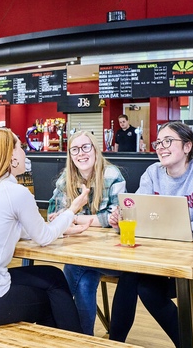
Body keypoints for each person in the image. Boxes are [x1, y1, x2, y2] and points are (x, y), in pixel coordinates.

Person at [0, 128, 91, 333]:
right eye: (21, 147)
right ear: (11, 157)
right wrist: (73, 209)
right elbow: (44, 237)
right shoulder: (15, 192)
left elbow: (8, 228)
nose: (25, 152)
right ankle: (77, 343)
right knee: (53, 297)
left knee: (53, 276)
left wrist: (63, 228)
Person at [107, 121, 193, 346]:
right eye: (159, 142)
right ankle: (115, 343)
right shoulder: (153, 173)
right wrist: (121, 219)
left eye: (168, 141)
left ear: (187, 146)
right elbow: (138, 214)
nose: (161, 147)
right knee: (131, 275)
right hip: (159, 260)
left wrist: (167, 228)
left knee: (145, 286)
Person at [47, 130, 127, 335]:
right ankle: (84, 339)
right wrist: (72, 218)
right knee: (83, 284)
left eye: (85, 147)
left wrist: (72, 217)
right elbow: (53, 214)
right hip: (83, 251)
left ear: (95, 149)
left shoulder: (112, 175)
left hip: (111, 255)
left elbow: (114, 219)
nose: (80, 153)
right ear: (70, 155)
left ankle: (53, 324)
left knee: (74, 267)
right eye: (75, 149)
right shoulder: (66, 178)